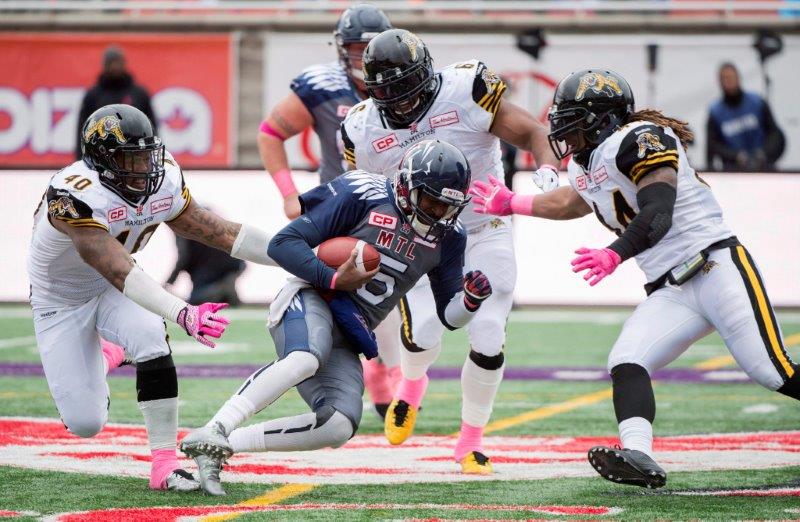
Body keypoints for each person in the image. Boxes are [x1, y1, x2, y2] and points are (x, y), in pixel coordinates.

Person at [470, 69, 799, 489]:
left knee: (772, 370)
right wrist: (514, 202)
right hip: (671, 287)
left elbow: (658, 210)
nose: (562, 128)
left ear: (601, 117)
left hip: (714, 265)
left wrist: (614, 253)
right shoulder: (590, 163)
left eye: (572, 117)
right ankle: (639, 454)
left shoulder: (641, 138)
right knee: (627, 359)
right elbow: (575, 201)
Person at [180, 140, 493, 496]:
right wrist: (330, 278)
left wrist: (470, 301)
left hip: (350, 326)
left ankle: (222, 445)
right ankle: (218, 425)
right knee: (305, 357)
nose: (438, 213)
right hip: (312, 295)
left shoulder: (451, 236)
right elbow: (284, 243)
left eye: (447, 205)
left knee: (339, 425)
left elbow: (449, 316)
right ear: (407, 186)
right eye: (431, 201)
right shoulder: (364, 193)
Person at [340, 28, 560, 474]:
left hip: (483, 227)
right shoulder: (361, 129)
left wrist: (549, 171)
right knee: (423, 331)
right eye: (390, 93)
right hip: (419, 238)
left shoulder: (466, 91)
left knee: (489, 331)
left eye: (408, 88)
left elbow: (535, 132)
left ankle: (470, 442)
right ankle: (412, 385)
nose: (401, 102)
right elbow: (361, 194)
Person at [29, 104, 277, 492]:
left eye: (147, 156)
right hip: (61, 300)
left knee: (149, 334)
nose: (144, 168)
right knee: (85, 422)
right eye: (131, 159)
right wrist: (183, 313)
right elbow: (116, 268)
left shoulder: (163, 180)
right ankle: (112, 351)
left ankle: (163, 466)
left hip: (113, 288)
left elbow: (221, 233)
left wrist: (298, 258)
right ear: (103, 161)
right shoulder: (72, 193)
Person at [257, 3, 399, 418]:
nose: (362, 58)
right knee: (344, 288)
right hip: (341, 207)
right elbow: (270, 133)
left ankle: (394, 372)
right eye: (355, 48)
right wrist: (288, 192)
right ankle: (371, 370)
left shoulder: (409, 81)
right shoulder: (322, 85)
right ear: (342, 49)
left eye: (370, 48)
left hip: (394, 205)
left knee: (396, 293)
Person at [76, 46, 157, 159]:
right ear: (105, 65)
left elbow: (151, 126)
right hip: (102, 155)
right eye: (111, 63)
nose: (115, 66)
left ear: (124, 63)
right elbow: (83, 129)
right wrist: (81, 157)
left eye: (118, 62)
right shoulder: (93, 96)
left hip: (134, 154)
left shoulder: (139, 94)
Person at [706, 62, 785, 172]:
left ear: (738, 78)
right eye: (725, 78)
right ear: (720, 82)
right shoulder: (715, 111)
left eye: (732, 77)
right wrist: (735, 156)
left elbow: (775, 134)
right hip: (733, 171)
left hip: (763, 167)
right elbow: (712, 146)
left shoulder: (757, 102)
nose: (729, 81)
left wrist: (763, 153)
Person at [165, 234, 246, 306]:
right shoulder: (206, 218)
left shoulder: (180, 226)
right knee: (199, 297)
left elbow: (183, 258)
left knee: (195, 302)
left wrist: (169, 282)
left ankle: (220, 290)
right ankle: (223, 292)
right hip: (234, 261)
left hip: (210, 267)